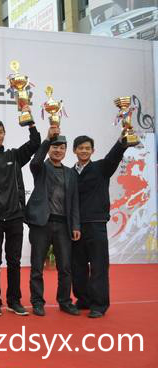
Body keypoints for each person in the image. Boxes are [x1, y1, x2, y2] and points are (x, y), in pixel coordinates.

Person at [0, 112, 41, 316]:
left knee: (14, 261)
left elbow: (35, 143)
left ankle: (14, 301)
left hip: (14, 217)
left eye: (0, 132)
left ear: (4, 133)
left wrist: (30, 122)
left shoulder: (14, 156)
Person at [71, 134, 130, 318]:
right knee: (78, 266)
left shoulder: (101, 168)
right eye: (81, 148)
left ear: (93, 151)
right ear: (74, 150)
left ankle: (99, 305)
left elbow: (114, 156)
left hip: (96, 225)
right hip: (76, 227)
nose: (84, 151)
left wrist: (122, 141)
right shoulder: (69, 173)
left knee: (99, 266)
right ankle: (83, 299)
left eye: (87, 148)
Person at [25, 128, 81, 316]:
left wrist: (75, 225)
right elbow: (35, 161)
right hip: (41, 224)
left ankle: (64, 301)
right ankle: (37, 302)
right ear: (49, 148)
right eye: (55, 147)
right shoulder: (40, 168)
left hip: (64, 225)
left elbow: (74, 201)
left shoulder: (71, 173)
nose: (58, 150)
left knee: (65, 267)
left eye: (61, 147)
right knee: (37, 267)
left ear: (66, 150)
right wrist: (47, 139)